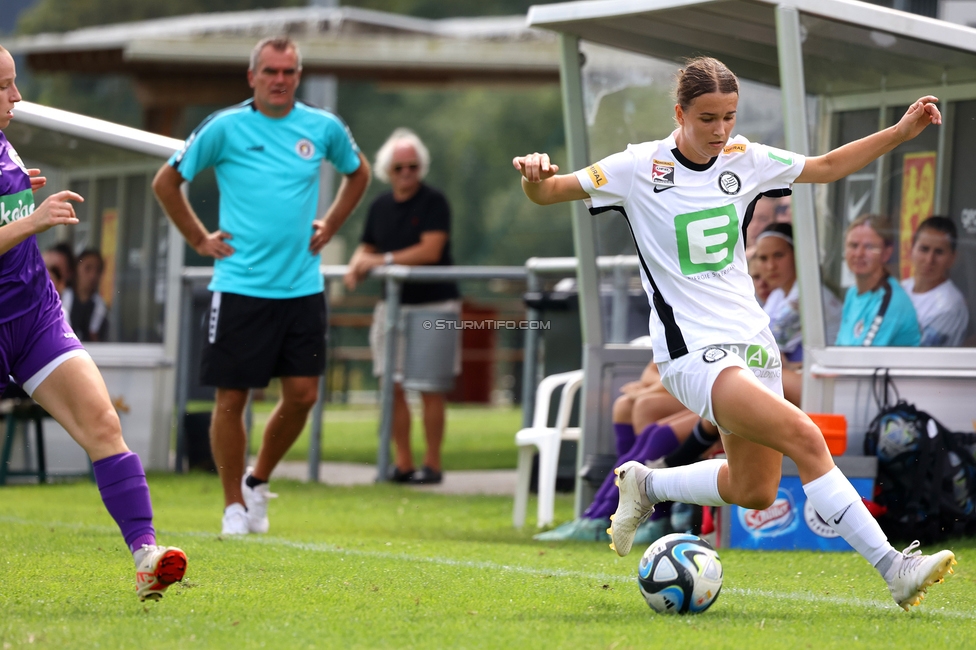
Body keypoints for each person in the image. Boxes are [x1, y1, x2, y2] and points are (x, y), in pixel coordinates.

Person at [513, 56, 954, 610]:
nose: (721, 131)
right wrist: (534, 177)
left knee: (754, 489)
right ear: (679, 113)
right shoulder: (636, 167)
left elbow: (828, 166)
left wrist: (900, 131)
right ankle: (895, 567)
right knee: (806, 438)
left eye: (729, 116)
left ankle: (647, 485)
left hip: (754, 345)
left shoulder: (744, 159)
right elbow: (551, 192)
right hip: (693, 352)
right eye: (707, 119)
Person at [153, 37, 371, 534]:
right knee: (231, 400)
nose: (280, 79)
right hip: (240, 285)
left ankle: (257, 482)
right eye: (270, 71)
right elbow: (166, 182)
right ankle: (232, 506)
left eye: (289, 72)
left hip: (301, 287)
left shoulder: (322, 127)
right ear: (252, 77)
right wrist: (198, 238)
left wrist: (332, 223)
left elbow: (358, 174)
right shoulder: (225, 126)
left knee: (304, 395)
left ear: (298, 76)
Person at [0, 44, 186, 601]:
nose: (17, 97)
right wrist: (34, 219)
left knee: (103, 425)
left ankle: (147, 555)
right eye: (5, 86)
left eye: (13, 83)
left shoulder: (3, 142)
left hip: (32, 315)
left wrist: (16, 195)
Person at [344, 128, 460, 485]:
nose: (406, 173)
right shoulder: (379, 206)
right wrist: (356, 265)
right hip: (392, 307)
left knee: (430, 388)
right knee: (390, 387)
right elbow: (366, 247)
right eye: (399, 168)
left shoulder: (434, 201)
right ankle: (403, 462)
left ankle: (433, 464)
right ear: (388, 171)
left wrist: (380, 261)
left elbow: (430, 251)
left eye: (412, 166)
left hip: (434, 306)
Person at [754, 223, 842, 404]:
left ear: (797, 254)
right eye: (763, 258)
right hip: (804, 376)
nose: (770, 266)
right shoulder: (778, 294)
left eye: (778, 255)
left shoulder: (808, 294)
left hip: (830, 385)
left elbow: (763, 348)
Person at [836, 214, 920, 347]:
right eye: (853, 245)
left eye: (869, 247)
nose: (859, 254)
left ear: (886, 253)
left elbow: (862, 363)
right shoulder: (852, 294)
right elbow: (840, 352)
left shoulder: (890, 301)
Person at [901, 216, 969, 346]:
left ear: (952, 258)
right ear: (911, 249)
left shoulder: (949, 305)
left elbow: (917, 355)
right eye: (924, 249)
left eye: (939, 252)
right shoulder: (902, 288)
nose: (929, 260)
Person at [62, 248, 109, 342]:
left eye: (98, 270)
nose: (93, 275)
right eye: (87, 268)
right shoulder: (61, 299)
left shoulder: (102, 308)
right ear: (76, 270)